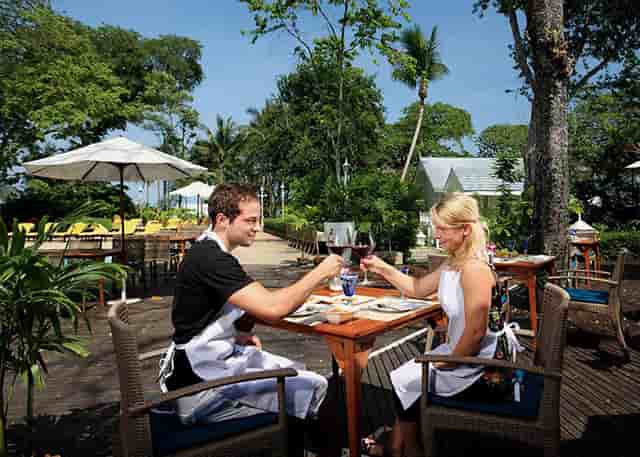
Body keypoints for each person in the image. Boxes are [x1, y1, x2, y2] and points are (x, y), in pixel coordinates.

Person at [158, 183, 343, 434]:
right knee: (316, 387)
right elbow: (273, 308)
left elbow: (230, 308)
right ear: (222, 220)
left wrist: (240, 332)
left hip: (200, 368)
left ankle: (300, 437)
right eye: (251, 221)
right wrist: (320, 272)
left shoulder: (207, 251)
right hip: (200, 390)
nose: (257, 228)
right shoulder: (212, 259)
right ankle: (304, 442)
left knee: (297, 371)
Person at [360, 193, 519, 457]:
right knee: (406, 376)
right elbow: (417, 288)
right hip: (463, 353)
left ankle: (409, 450)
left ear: (465, 229)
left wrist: (444, 363)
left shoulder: (474, 269)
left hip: (482, 368)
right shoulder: (454, 261)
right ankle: (397, 448)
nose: (436, 235)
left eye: (442, 228)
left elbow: (476, 333)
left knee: (406, 378)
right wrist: (382, 268)